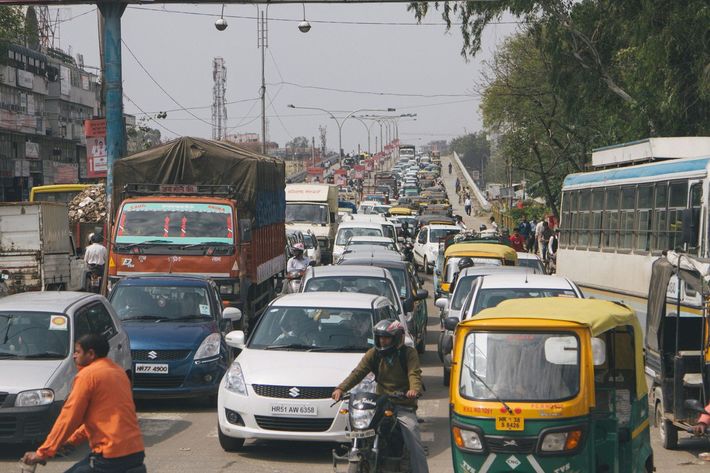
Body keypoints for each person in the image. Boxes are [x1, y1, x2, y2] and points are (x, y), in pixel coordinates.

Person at [22, 334, 145, 472]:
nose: (74, 356)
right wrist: (72, 440)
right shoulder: (119, 372)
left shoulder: (88, 375)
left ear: (91, 354)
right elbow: (104, 419)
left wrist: (43, 452)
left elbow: (69, 417)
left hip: (110, 456)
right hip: (135, 451)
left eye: (78, 352)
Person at [332, 320, 428, 473]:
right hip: (380, 403)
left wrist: (414, 389)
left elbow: (414, 373)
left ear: (397, 338)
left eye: (386, 337)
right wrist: (341, 388)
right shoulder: (374, 354)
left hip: (403, 404)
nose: (382, 341)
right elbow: (358, 373)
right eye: (380, 337)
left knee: (413, 437)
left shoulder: (408, 354)